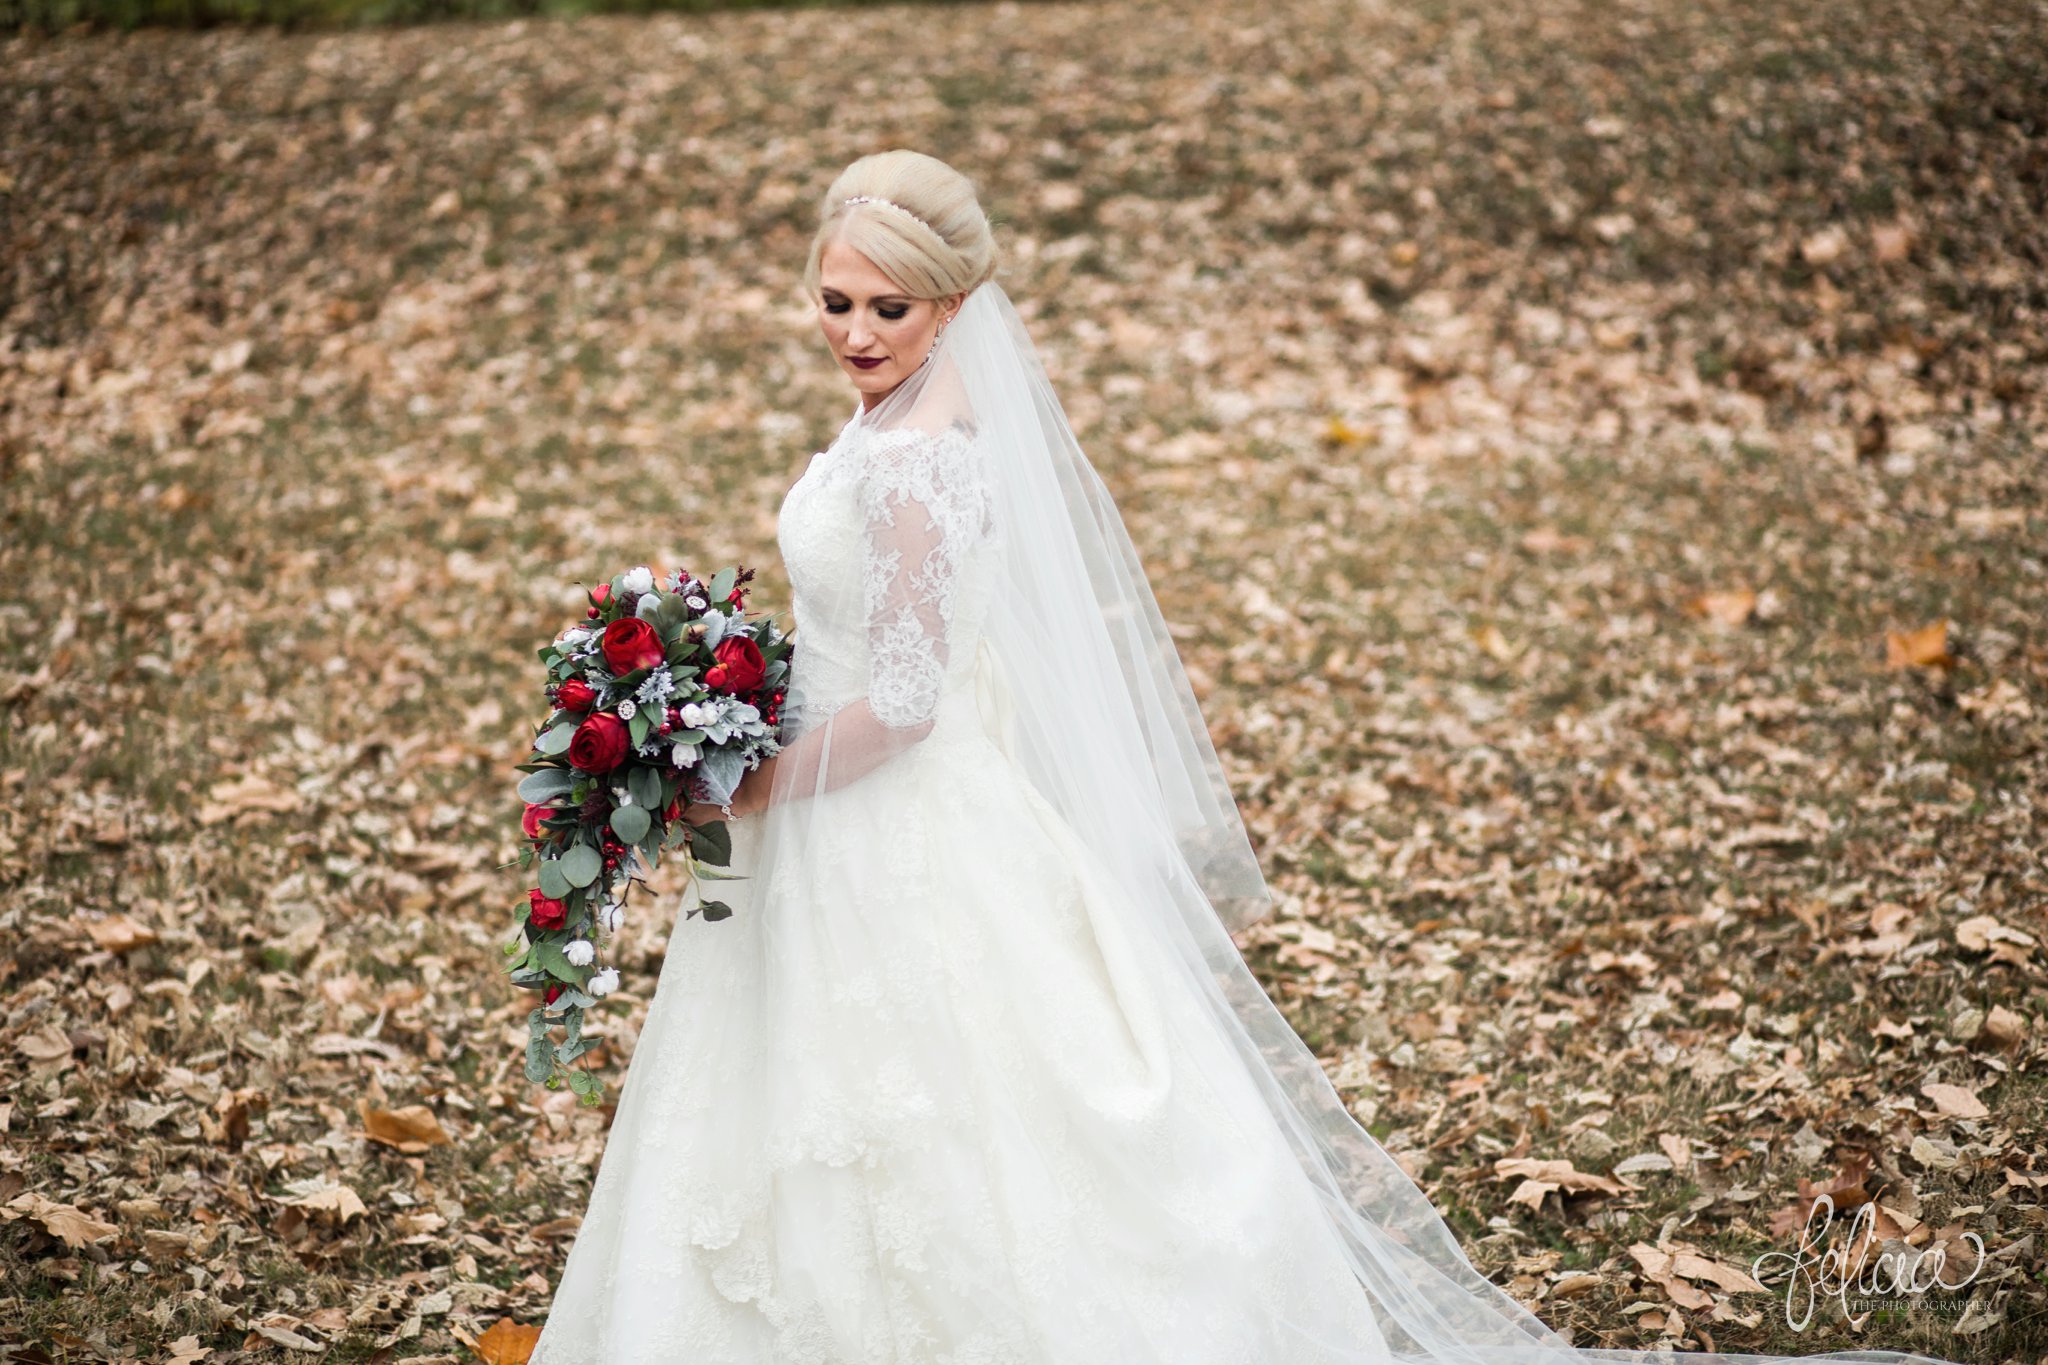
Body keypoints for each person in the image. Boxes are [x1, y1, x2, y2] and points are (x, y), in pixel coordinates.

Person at [529, 150, 1962, 1365]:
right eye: (835, 301)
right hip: (843, 801)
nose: (854, 329)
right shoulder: (889, 415)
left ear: (956, 304)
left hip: (890, 802)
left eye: (888, 308)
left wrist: (749, 774)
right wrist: (715, 697)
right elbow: (864, 644)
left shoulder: (921, 458)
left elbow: (903, 706)